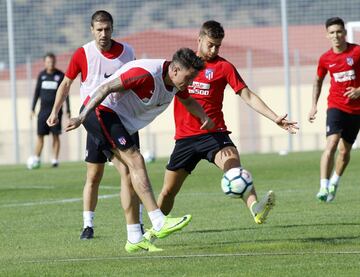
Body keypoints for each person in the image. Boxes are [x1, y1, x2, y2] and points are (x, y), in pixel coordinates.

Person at [152, 20, 298, 233]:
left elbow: (246, 94)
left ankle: (256, 208)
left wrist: (274, 117)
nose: (214, 49)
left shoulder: (224, 67)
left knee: (236, 171)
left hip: (214, 134)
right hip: (185, 138)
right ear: (199, 39)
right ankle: (153, 230)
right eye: (210, 44)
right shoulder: (182, 65)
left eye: (218, 46)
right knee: (167, 192)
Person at [65, 47, 214, 252]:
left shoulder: (176, 82)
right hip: (100, 112)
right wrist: (81, 116)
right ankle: (158, 220)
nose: (189, 84)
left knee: (128, 173)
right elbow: (105, 88)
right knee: (136, 160)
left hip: (120, 122)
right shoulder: (146, 74)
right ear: (176, 70)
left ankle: (134, 236)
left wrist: (204, 116)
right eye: (188, 78)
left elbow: (188, 101)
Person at [47, 10, 140, 240]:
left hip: (123, 122)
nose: (103, 34)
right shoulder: (83, 53)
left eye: (107, 29)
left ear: (113, 29)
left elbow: (136, 82)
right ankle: (88, 225)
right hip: (95, 121)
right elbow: (66, 84)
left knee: (130, 172)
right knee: (94, 175)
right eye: (99, 30)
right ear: (92, 30)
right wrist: (55, 111)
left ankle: (137, 224)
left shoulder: (127, 52)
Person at [308, 17, 360, 202]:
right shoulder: (325, 59)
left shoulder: (357, 52)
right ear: (327, 35)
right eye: (332, 32)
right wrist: (314, 105)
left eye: (339, 31)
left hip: (356, 111)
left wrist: (359, 90)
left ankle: (334, 183)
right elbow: (318, 81)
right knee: (331, 143)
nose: (336, 35)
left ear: (345, 33)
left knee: (345, 152)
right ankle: (323, 186)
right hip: (336, 106)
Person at [30, 52, 70, 169]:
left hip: (56, 112)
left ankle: (55, 160)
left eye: (52, 61)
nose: (50, 64)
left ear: (55, 62)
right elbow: (37, 93)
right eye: (48, 62)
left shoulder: (60, 75)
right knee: (40, 135)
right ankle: (36, 159)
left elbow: (65, 93)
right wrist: (32, 109)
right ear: (45, 63)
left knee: (55, 136)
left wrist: (68, 109)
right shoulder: (41, 75)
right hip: (43, 112)